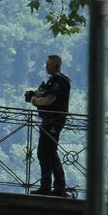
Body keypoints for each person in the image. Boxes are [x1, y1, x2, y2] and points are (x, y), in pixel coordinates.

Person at [28, 54, 71, 196]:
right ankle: (52, 187)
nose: (46, 67)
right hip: (49, 120)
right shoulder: (55, 81)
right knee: (46, 153)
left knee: (48, 153)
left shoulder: (58, 81)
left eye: (48, 64)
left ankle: (55, 187)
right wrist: (35, 94)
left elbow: (49, 100)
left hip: (53, 121)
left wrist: (34, 100)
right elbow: (46, 96)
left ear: (56, 65)